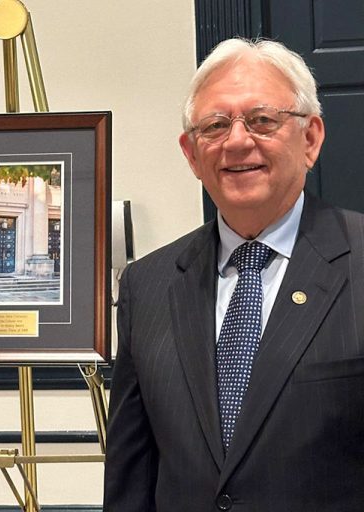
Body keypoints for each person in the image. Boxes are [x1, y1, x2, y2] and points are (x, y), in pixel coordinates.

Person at [104, 37, 364, 511]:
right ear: (191, 153)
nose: (238, 141)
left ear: (310, 138)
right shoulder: (147, 286)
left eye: (263, 120)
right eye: (216, 125)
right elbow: (131, 477)